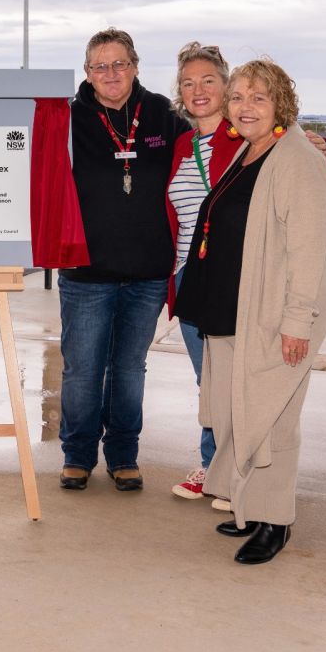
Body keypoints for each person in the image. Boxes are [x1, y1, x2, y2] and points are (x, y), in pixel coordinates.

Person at [165, 43, 326, 502]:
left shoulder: (287, 152)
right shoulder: (228, 151)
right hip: (214, 292)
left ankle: (266, 512)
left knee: (264, 408)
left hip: (263, 302)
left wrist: (297, 320)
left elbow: (308, 242)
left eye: (258, 98)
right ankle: (235, 489)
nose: (246, 108)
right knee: (226, 400)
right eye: (240, 98)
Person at [57, 28, 189, 492]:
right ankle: (76, 454)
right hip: (85, 271)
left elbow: (220, 143)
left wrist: (290, 136)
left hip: (148, 271)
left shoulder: (165, 115)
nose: (110, 73)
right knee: (83, 368)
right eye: (100, 66)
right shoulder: (66, 119)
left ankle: (123, 454)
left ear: (135, 66)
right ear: (87, 73)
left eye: (119, 64)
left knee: (129, 369)